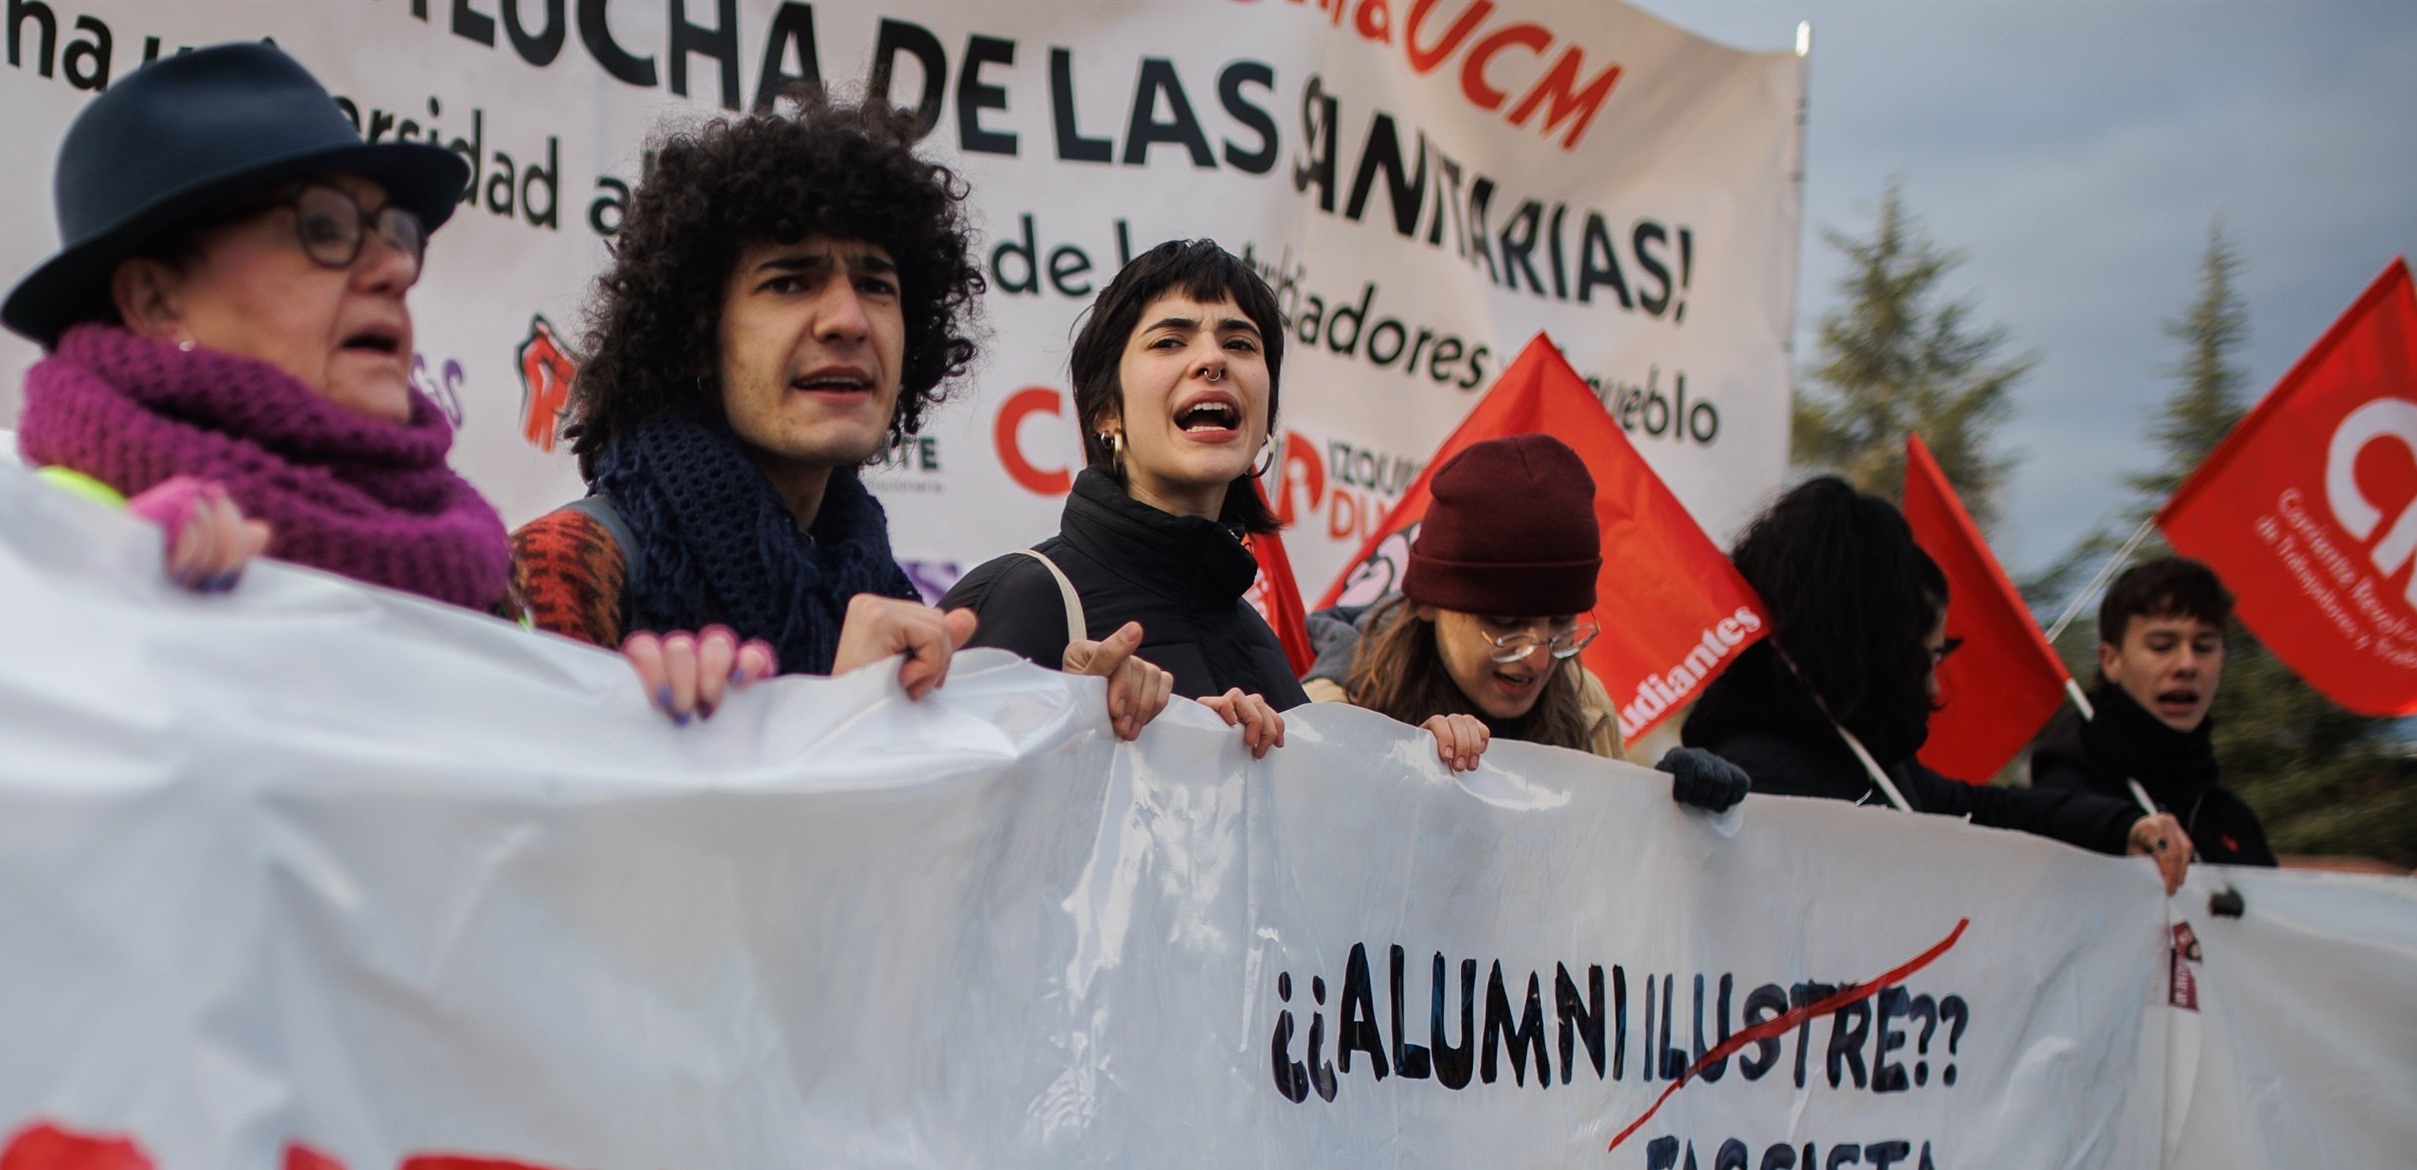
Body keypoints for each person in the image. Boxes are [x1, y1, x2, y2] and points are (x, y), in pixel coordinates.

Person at [510, 98, 1158, 734]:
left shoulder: (886, 597)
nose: (848, 320)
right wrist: (836, 721)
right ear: (698, 335)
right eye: (790, 282)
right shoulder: (566, 565)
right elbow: (531, 833)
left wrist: (1085, 727)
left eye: (877, 285)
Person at [0, 43, 515, 617]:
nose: (394, 269)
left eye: (396, 232)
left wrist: (622, 701)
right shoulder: (31, 541)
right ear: (155, 298)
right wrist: (95, 606)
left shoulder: (482, 577)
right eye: (324, 226)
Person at [1681, 478, 2189, 895]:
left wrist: (2121, 826)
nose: (1931, 688)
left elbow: (1990, 812)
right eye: (1928, 656)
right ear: (1875, 646)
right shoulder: (1757, 785)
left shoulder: (1873, 768)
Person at [937, 239, 1297, 761]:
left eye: (1241, 344)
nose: (1213, 360)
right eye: (1170, 341)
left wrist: (1424, 766)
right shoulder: (1023, 598)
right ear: (1107, 412)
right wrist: (1070, 721)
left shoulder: (1261, 643)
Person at [1303, 435, 1747, 813]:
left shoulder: (1587, 709)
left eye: (1560, 623)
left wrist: (1667, 812)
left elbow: (1605, 879)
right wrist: (1394, 767)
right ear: (1427, 604)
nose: (1536, 658)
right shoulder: (1333, 707)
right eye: (1505, 624)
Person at [2033, 555, 2417, 903]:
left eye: (2204, 646)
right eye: (2161, 646)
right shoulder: (2064, 792)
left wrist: (2405, 898)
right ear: (2111, 660)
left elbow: (2271, 909)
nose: (2186, 665)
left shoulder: (2228, 815)